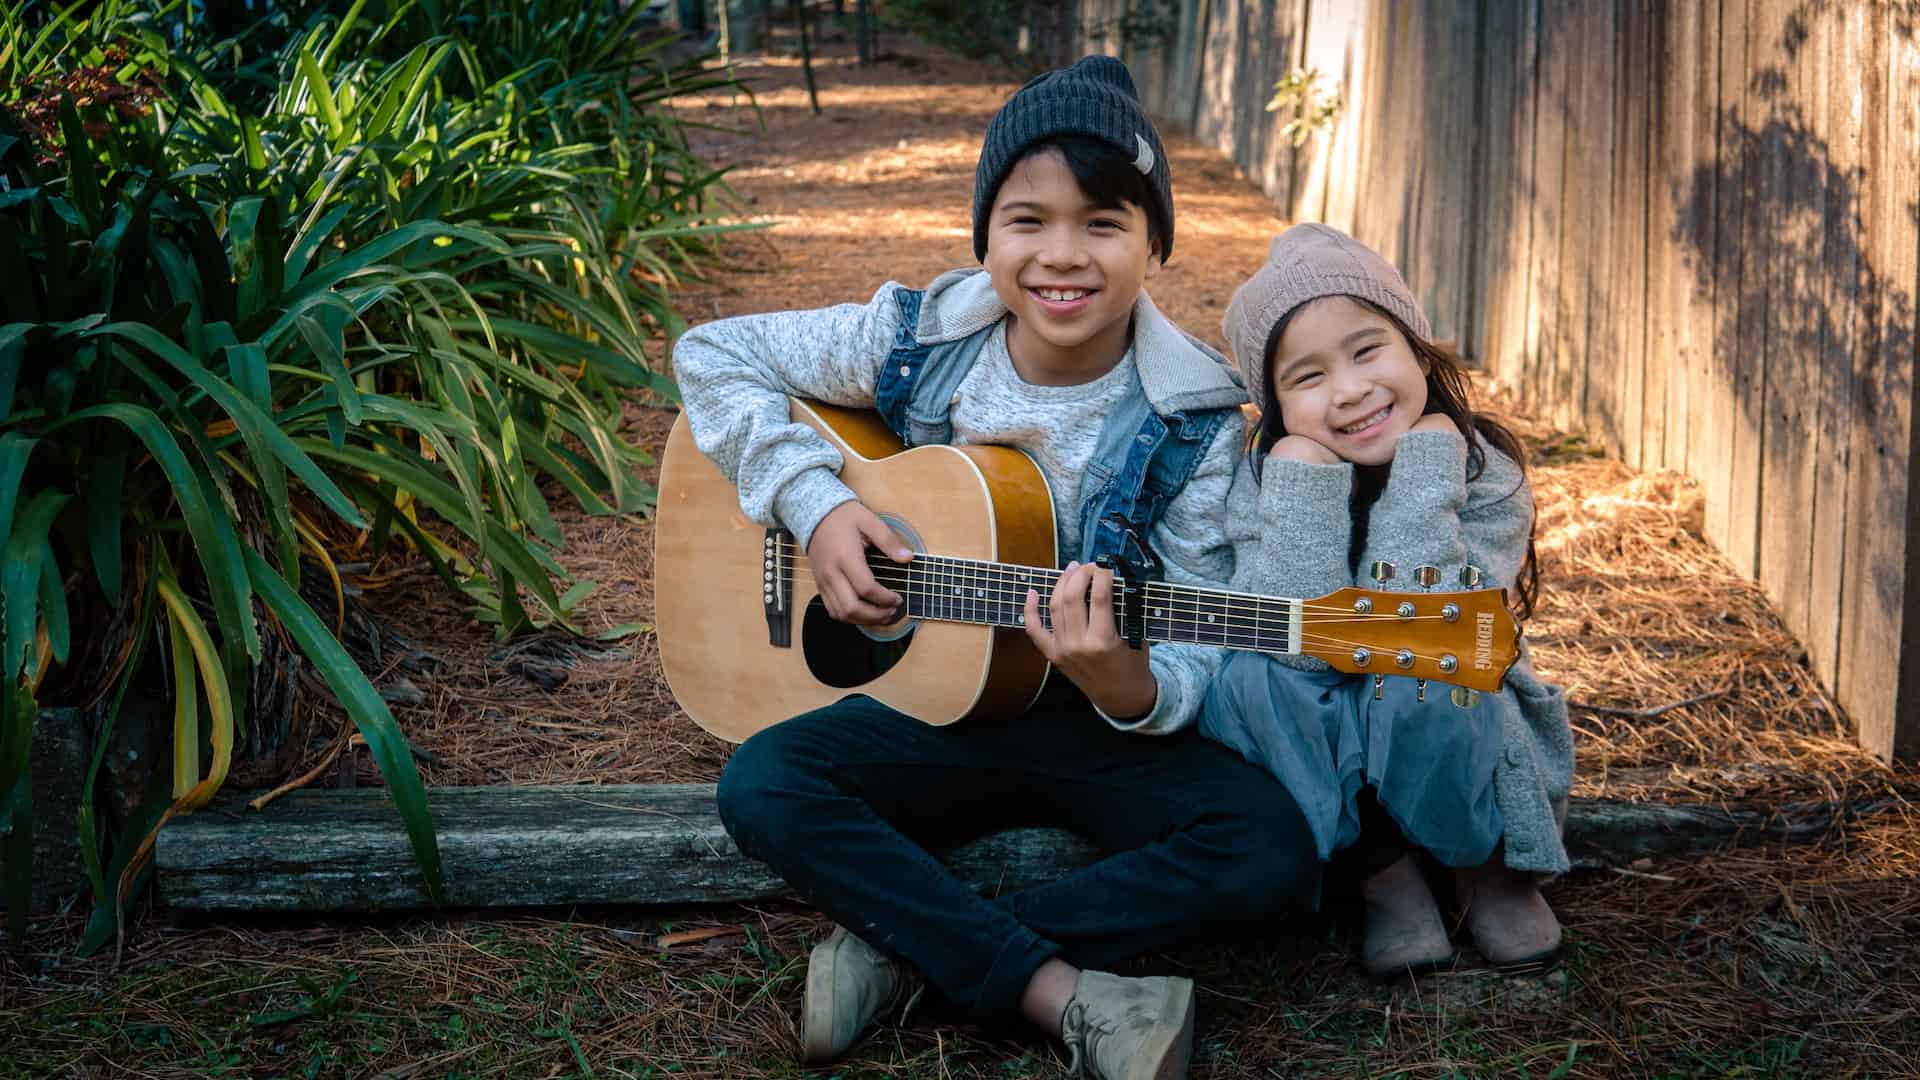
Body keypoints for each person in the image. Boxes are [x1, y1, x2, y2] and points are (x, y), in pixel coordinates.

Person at [671, 57, 1320, 1078]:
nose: (1063, 256)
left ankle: (905, 953)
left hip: (1082, 724)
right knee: (764, 783)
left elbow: (1202, 630)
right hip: (929, 711)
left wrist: (1129, 683)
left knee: (1271, 850)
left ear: (1154, 241)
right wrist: (820, 505)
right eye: (1028, 220)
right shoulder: (917, 339)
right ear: (985, 236)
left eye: (1104, 222)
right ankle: (1057, 993)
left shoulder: (1197, 426)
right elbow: (712, 353)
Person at [1204, 223, 1574, 980]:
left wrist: (1426, 471)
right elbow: (1289, 639)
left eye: (1367, 351)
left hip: (1456, 727)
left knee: (1422, 662)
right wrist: (1303, 483)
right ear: (1272, 408)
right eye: (1305, 378)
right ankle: (1385, 874)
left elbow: (1440, 628)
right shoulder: (1263, 483)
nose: (1348, 390)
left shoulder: (1482, 471)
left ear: (1416, 350)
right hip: (1337, 744)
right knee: (1246, 678)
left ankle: (1482, 865)